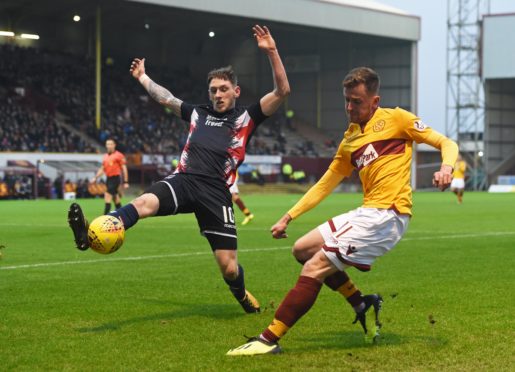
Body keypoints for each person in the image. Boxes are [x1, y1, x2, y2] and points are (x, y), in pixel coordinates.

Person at [227, 67, 458, 355]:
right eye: (347, 100)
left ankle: (268, 340)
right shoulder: (350, 139)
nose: (350, 107)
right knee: (302, 250)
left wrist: (446, 166)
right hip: (367, 212)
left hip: (388, 216)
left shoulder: (398, 119)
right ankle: (362, 303)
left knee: (315, 266)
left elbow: (446, 143)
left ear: (374, 101)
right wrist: (289, 216)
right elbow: (325, 183)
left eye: (357, 101)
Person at [68, 25, 290, 314]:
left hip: (216, 193)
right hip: (183, 180)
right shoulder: (198, 113)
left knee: (230, 268)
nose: (218, 95)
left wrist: (271, 51)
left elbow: (282, 90)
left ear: (236, 91)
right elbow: (166, 98)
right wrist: (143, 77)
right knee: (143, 202)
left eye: (223, 89)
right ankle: (91, 235)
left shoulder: (246, 117)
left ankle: (241, 296)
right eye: (213, 90)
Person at [91, 139, 129, 214]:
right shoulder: (105, 156)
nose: (109, 146)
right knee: (115, 198)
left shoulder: (119, 155)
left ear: (114, 145)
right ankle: (122, 215)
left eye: (111, 144)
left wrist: (126, 181)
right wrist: (95, 177)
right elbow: (102, 169)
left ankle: (104, 218)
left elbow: (124, 168)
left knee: (107, 195)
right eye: (107, 144)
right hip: (108, 179)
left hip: (115, 178)